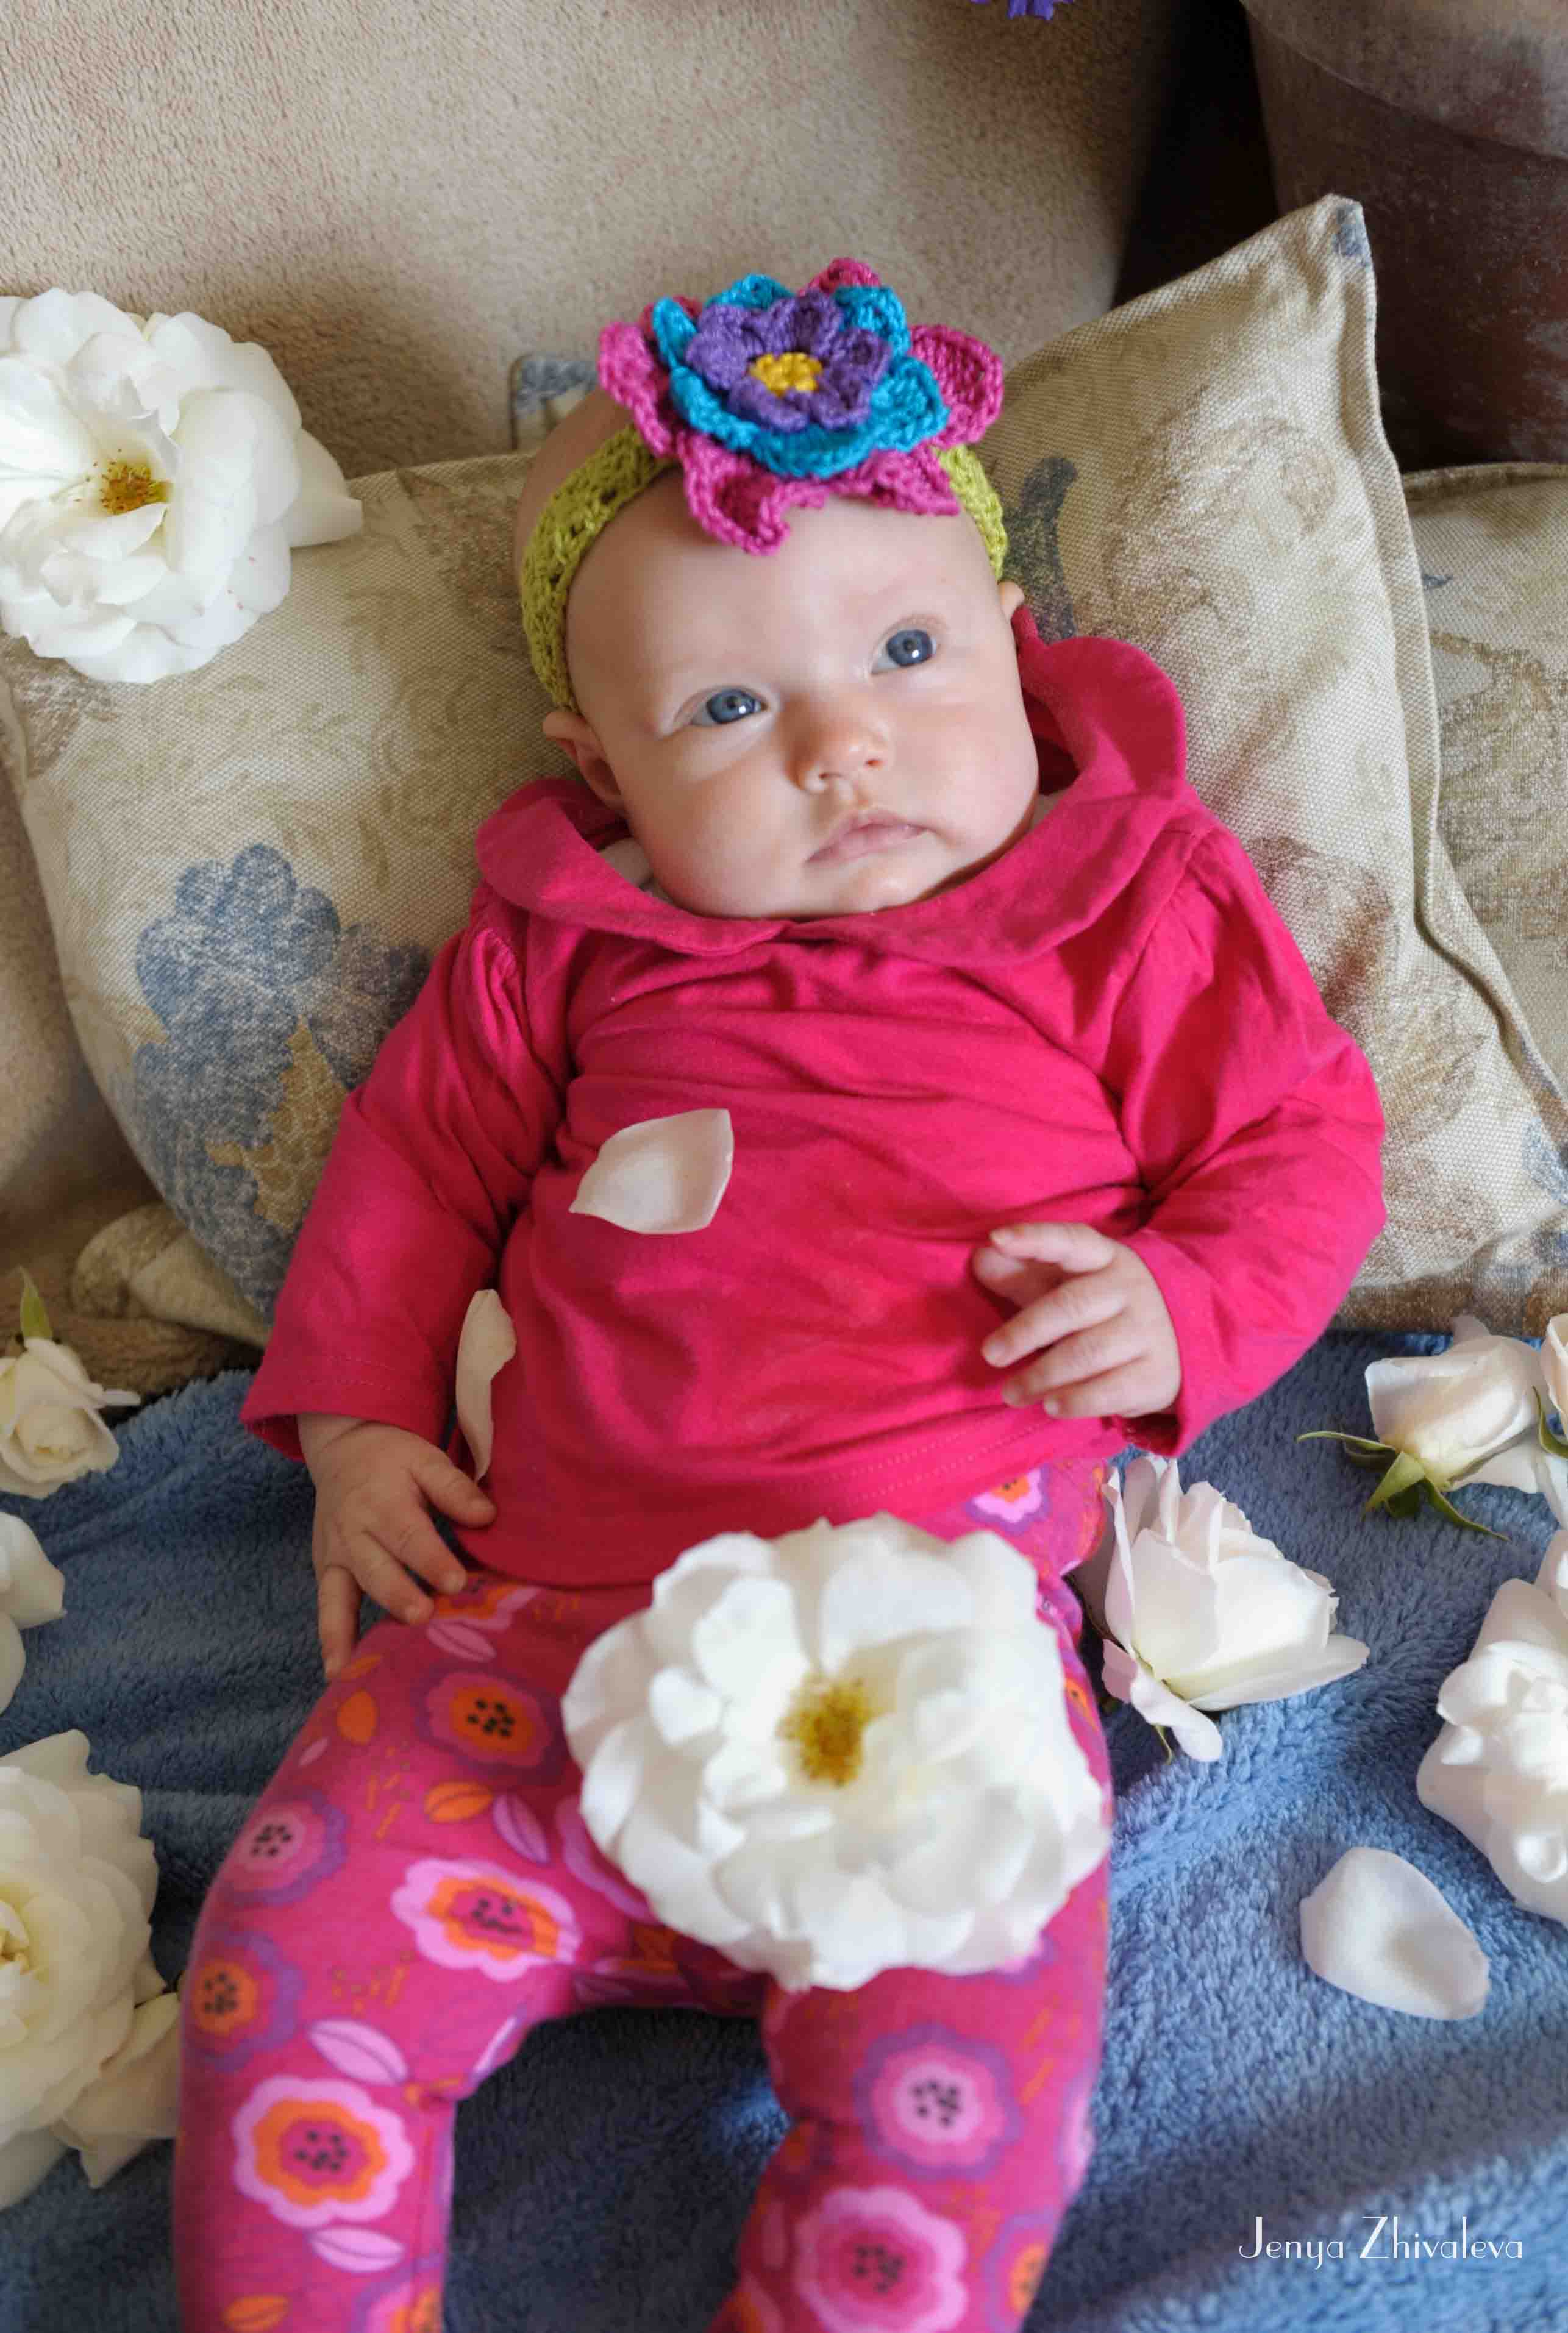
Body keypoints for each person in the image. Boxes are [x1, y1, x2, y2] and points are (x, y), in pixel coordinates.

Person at [173, 260, 1385, 2332]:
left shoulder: (1120, 900)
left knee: (960, 2115)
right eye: (729, 711)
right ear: (604, 772)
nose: (842, 744)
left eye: (907, 650)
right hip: (524, 1636)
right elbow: (416, 1170)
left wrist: (1183, 1300)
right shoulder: (563, 942)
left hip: (928, 1672)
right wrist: (363, 1423)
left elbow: (1300, 1136)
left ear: (1013, 641)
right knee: (278, 1977)